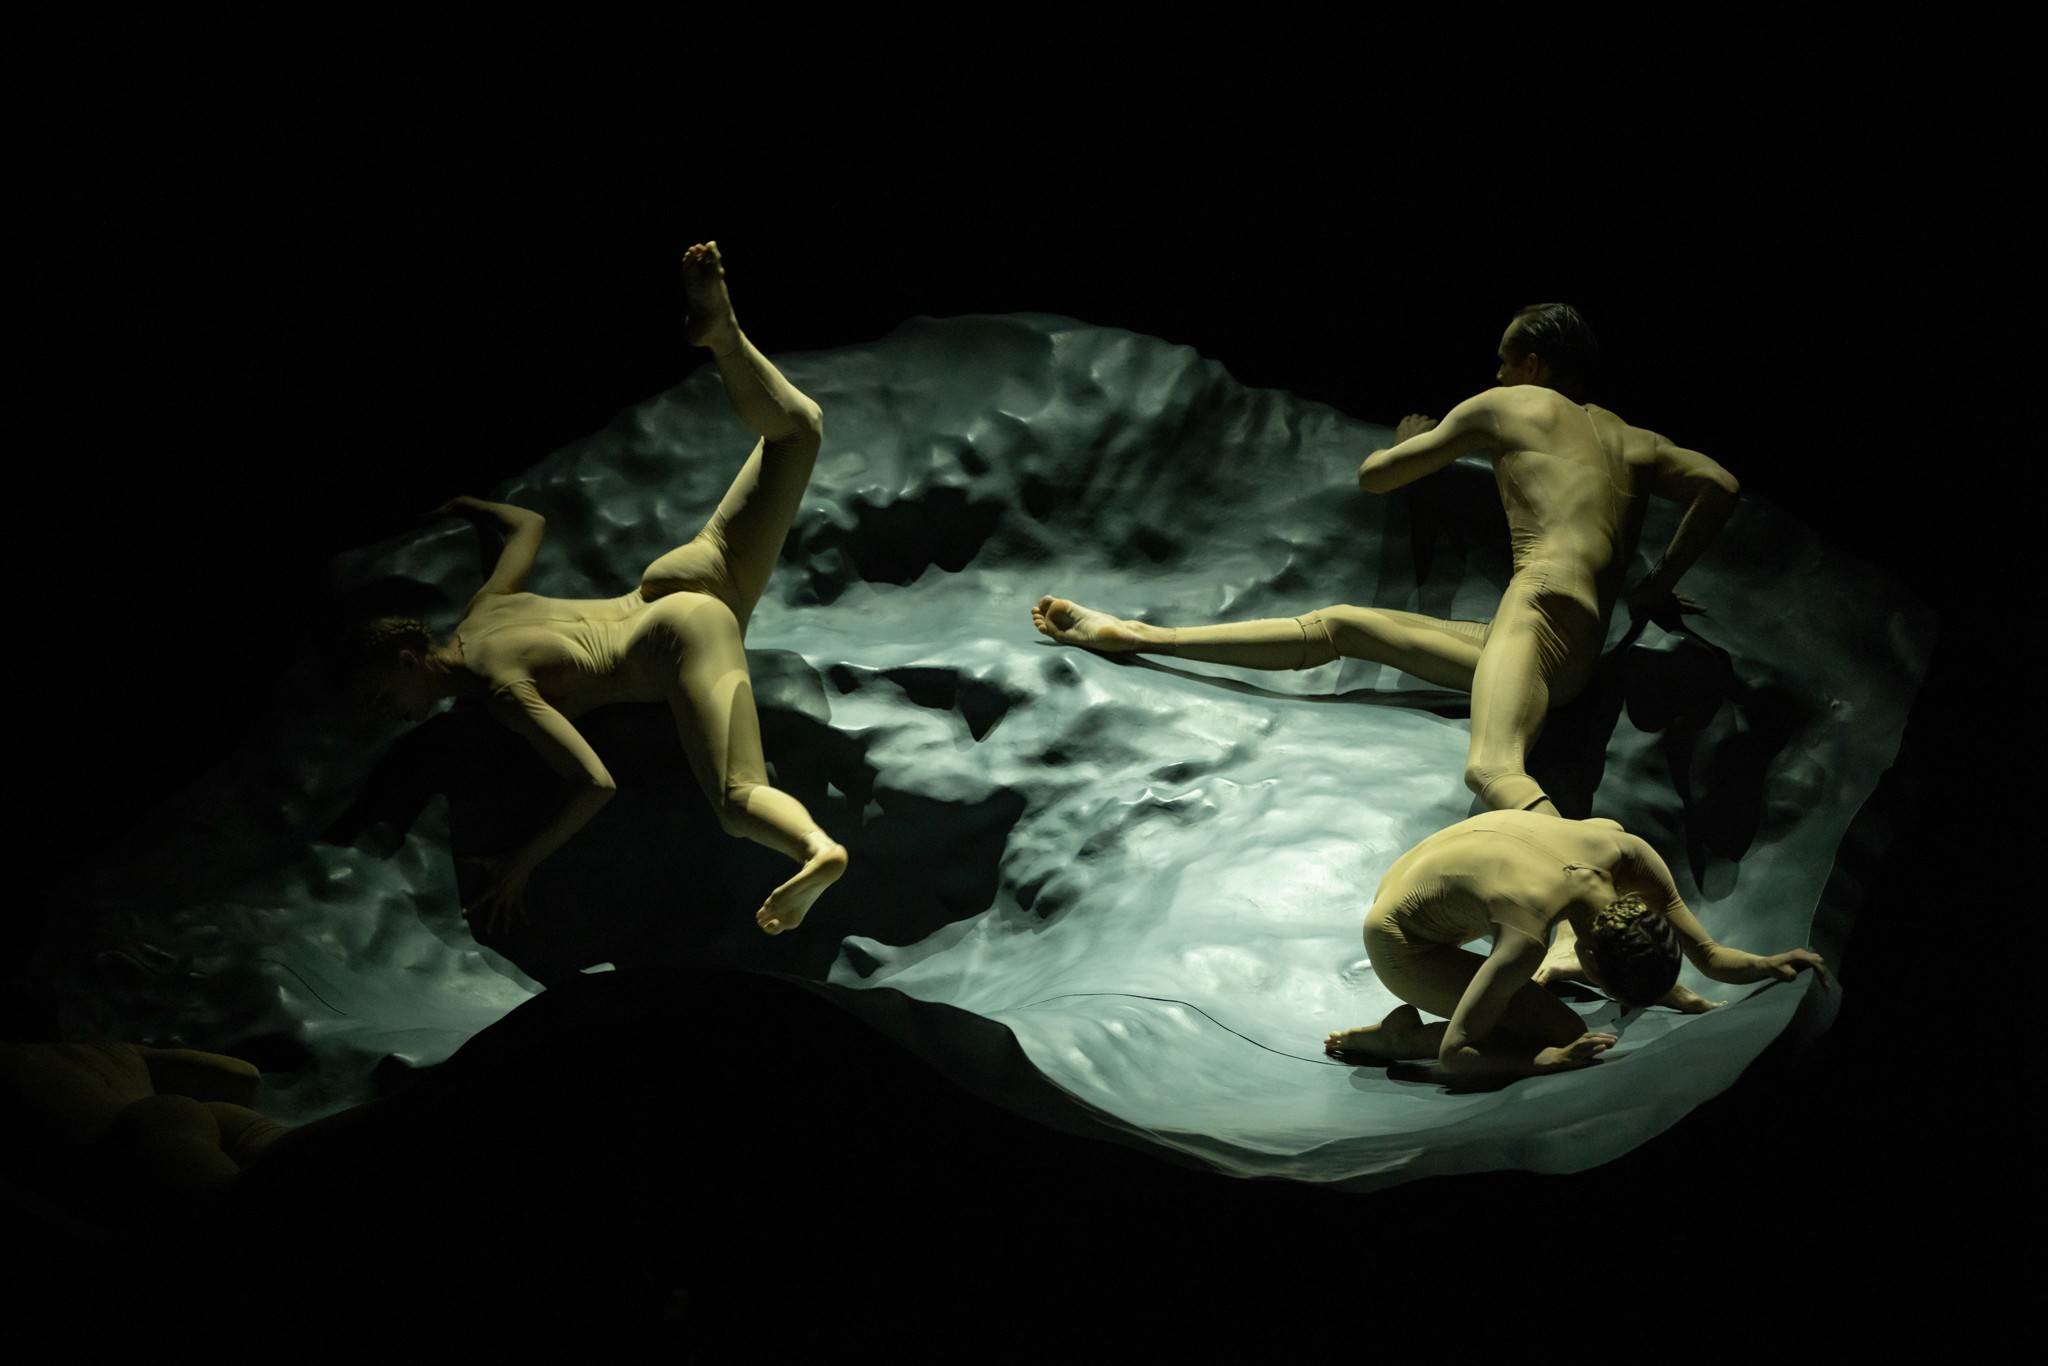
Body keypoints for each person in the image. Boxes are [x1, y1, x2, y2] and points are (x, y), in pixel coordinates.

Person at [1032, 303, 1741, 818]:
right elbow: (1720, 486)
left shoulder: (1510, 403)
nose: (1496, 372)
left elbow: (1375, 477)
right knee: (1341, 625)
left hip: (1540, 608)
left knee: (1493, 768)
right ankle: (1139, 636)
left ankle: (1590, 911)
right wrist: (1654, 587)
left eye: (1504, 360)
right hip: (1571, 654)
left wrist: (1410, 445)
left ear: (1532, 365)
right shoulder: (1632, 439)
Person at [352, 242, 846, 937]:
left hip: (677, 637)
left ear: (410, 660)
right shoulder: (483, 610)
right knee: (798, 432)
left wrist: (522, 863)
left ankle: (816, 850)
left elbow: (595, 783)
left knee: (738, 800)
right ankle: (724, 336)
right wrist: (471, 506)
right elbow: (528, 525)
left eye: (383, 695)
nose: (387, 712)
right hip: (675, 578)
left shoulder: (500, 689)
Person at [1320, 810, 1826, 1080]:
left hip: (1440, 868)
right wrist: (1544, 1060)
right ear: (1586, 960)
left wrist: (1767, 963)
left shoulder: (1625, 849)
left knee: (1535, 1016)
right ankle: (1399, 1040)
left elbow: (1710, 957)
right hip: (1400, 938)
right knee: (1560, 1031)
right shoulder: (1525, 939)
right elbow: (1457, 1054)